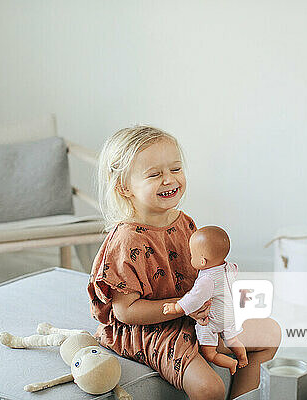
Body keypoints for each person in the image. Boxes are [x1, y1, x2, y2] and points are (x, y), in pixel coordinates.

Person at [86, 125, 281, 400]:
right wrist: (182, 309)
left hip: (194, 315)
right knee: (209, 388)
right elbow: (126, 313)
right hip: (152, 327)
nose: (169, 180)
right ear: (124, 187)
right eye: (155, 174)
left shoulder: (185, 222)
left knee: (270, 333)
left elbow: (202, 273)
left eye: (175, 170)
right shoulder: (126, 241)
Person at [163, 226, 248, 375]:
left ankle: (232, 363)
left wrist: (177, 308)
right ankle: (242, 357)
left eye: (191, 255)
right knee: (233, 341)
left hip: (212, 320)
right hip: (230, 315)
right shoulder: (229, 267)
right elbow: (235, 272)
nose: (190, 258)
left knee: (210, 353)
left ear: (202, 261)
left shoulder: (207, 280)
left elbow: (194, 298)